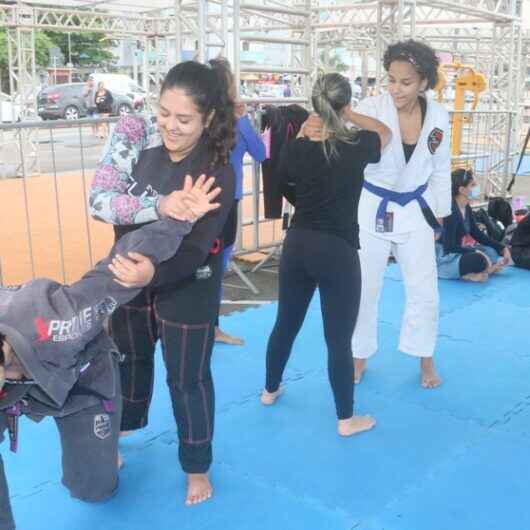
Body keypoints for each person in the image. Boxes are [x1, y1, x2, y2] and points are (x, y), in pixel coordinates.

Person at [0, 176, 222, 530]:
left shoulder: (57, 319)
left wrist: (180, 221)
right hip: (20, 390)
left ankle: (105, 453)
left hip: (82, 381)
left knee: (93, 489)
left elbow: (115, 269)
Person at [89, 59, 236, 506]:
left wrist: (154, 272)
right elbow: (116, 213)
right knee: (129, 362)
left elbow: (194, 249)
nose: (170, 126)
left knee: (187, 379)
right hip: (130, 278)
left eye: (184, 119)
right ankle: (119, 435)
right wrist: (132, 268)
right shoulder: (144, 155)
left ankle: (197, 465)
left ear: (208, 117)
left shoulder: (217, 170)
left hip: (190, 282)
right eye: (164, 114)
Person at [305, 40, 451, 388]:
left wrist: (441, 214)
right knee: (364, 287)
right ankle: (359, 358)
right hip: (372, 208)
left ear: (424, 82)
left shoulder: (440, 116)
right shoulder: (372, 107)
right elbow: (337, 132)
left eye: (405, 82)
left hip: (416, 209)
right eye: (391, 79)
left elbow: (442, 167)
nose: (396, 88)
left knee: (425, 291)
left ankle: (425, 359)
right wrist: (325, 122)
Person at [260, 73, 391, 436]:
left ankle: (270, 390)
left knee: (286, 323)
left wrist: (304, 132)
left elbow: (285, 180)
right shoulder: (357, 143)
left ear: (315, 107)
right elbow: (386, 134)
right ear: (345, 105)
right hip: (337, 250)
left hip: (298, 243)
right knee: (338, 339)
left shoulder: (299, 147)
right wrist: (350, 115)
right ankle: (346, 419)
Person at [215, 58, 267, 346]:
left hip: (213, 202)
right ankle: (211, 327)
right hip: (219, 203)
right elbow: (260, 153)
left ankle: (210, 326)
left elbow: (260, 154)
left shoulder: (215, 119)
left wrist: (243, 118)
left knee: (210, 267)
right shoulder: (227, 121)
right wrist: (243, 119)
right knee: (213, 266)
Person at [436, 168, 512, 281]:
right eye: (473, 185)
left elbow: (478, 234)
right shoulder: (450, 211)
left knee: (491, 252)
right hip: (445, 256)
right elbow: (449, 247)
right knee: (478, 259)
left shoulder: (466, 207)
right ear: (462, 189)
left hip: (459, 250)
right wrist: (475, 251)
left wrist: (502, 248)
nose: (476, 187)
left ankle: (481, 270)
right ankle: (475, 272)